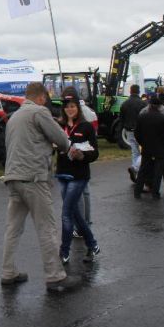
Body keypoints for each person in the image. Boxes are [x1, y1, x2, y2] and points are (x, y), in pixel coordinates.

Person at [0, 82, 79, 293]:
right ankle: (55, 276)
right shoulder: (39, 112)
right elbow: (62, 140)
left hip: (13, 177)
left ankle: (8, 272)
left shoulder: (14, 117)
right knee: (47, 227)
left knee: (13, 228)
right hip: (34, 178)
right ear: (42, 97)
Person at [55, 93, 100, 265]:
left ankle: (64, 251)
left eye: (73, 106)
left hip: (79, 175)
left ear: (78, 108)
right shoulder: (59, 126)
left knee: (66, 213)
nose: (69, 109)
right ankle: (93, 244)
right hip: (62, 173)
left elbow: (95, 153)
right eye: (67, 106)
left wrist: (82, 155)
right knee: (75, 213)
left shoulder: (86, 127)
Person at [134, 96, 164, 198]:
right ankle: (155, 193)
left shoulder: (142, 117)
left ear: (150, 105)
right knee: (158, 171)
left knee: (143, 170)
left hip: (147, 147)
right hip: (161, 148)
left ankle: (137, 191)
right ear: (160, 106)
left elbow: (137, 133)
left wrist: (142, 143)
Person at [120, 85, 147, 183]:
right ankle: (136, 168)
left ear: (130, 91)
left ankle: (135, 170)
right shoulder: (143, 104)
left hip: (129, 130)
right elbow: (145, 117)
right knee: (144, 151)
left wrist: (125, 126)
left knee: (134, 150)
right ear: (139, 91)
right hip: (141, 130)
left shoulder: (124, 103)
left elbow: (121, 118)